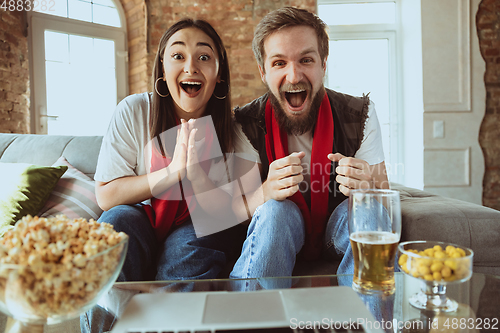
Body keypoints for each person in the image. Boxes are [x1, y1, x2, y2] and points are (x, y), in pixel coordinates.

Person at [230, 7, 390, 282]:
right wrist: (266, 191)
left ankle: (369, 323)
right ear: (262, 72)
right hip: (280, 228)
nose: (294, 76)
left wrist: (368, 188)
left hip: (337, 228)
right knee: (275, 211)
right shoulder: (245, 122)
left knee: (369, 211)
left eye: (306, 60)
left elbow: (384, 198)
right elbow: (237, 211)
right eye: (279, 63)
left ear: (323, 64)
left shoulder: (360, 114)